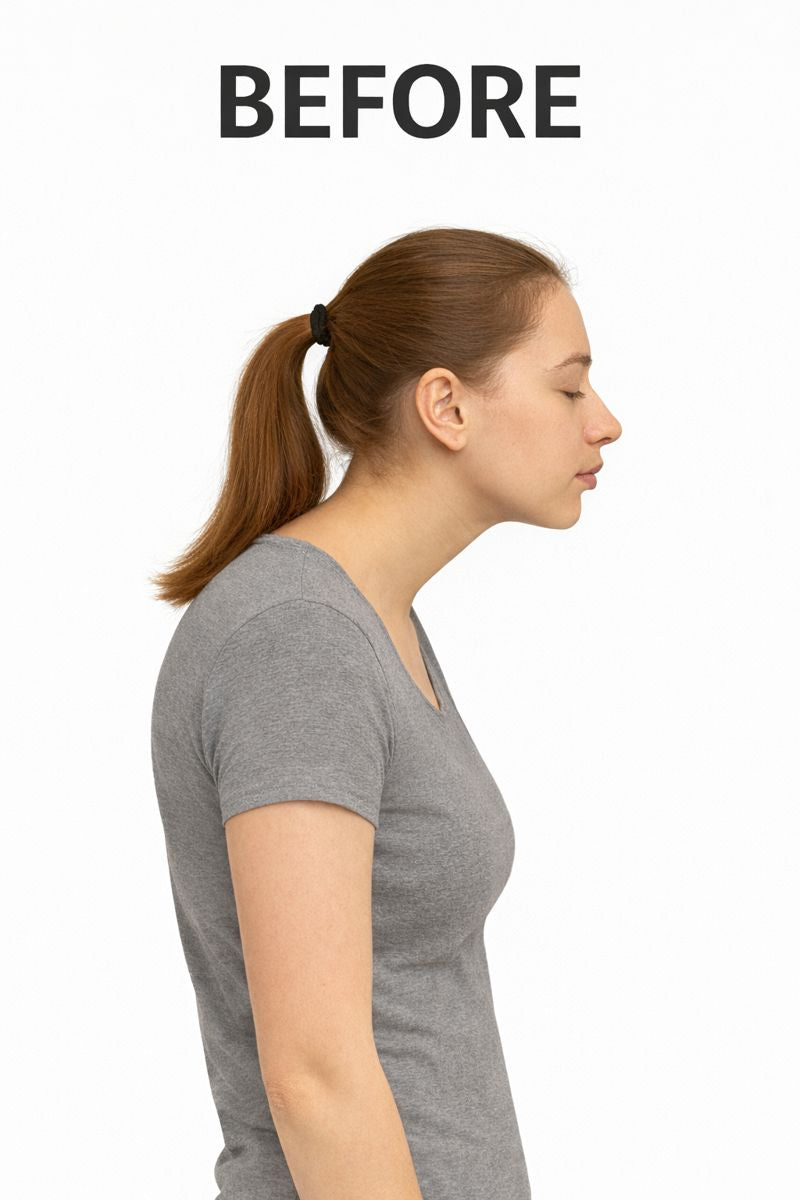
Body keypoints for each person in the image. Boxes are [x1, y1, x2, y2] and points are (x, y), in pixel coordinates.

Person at [149, 225, 622, 1200]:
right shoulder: (297, 639)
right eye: (570, 388)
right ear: (446, 405)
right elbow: (314, 1078)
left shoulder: (364, 618)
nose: (605, 422)